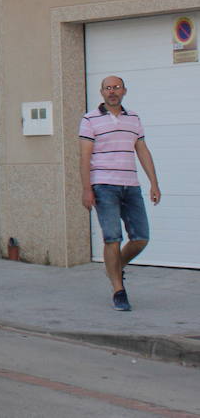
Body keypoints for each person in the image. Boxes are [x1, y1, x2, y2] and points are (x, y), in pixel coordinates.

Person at [78, 75, 162, 311]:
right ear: (102, 92)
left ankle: (113, 267)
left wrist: (154, 183)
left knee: (141, 238)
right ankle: (118, 290)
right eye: (107, 88)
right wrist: (87, 189)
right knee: (112, 237)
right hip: (103, 185)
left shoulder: (133, 118)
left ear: (124, 91)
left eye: (116, 87)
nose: (112, 91)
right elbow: (84, 156)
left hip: (131, 185)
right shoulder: (90, 119)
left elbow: (142, 150)